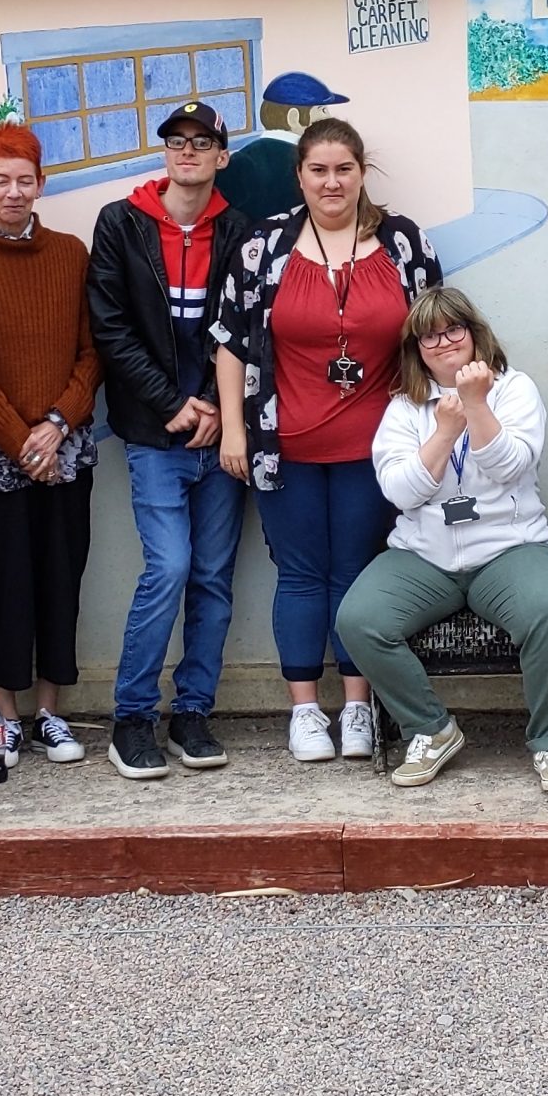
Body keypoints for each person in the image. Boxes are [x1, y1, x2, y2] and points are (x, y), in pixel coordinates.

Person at [210, 117, 440, 762]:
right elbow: (230, 342)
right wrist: (234, 430)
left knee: (360, 573)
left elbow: (436, 334)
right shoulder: (265, 246)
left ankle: (359, 706)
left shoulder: (403, 242)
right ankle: (306, 711)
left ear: (363, 173)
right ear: (300, 177)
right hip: (285, 444)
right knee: (301, 574)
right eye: (319, 170)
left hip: (381, 448)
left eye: (344, 169)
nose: (332, 182)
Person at [337, 289, 548, 793]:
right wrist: (444, 432)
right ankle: (431, 729)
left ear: (473, 333)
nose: (444, 342)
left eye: (454, 329)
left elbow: (512, 466)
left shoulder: (513, 388)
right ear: (416, 349)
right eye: (429, 336)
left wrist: (475, 404)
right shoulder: (404, 407)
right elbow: (401, 491)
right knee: (358, 620)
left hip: (509, 549)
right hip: (424, 556)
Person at [86, 100, 249, 779]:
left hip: (220, 432)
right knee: (171, 568)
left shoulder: (239, 229)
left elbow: (245, 326)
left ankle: (192, 713)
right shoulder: (121, 223)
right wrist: (172, 403)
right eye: (177, 141)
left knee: (212, 577)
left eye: (201, 141)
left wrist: (213, 405)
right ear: (165, 154)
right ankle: (131, 718)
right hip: (155, 435)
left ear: (221, 156)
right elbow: (110, 325)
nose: (188, 151)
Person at [0, 125, 101, 768]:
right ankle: (3, 713)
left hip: (64, 451)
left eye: (24, 180)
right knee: (3, 586)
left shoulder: (70, 255)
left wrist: (56, 425)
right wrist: (22, 442)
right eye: (0, 180)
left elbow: (92, 354)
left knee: (61, 580)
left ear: (41, 184)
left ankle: (50, 713)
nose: (13, 192)